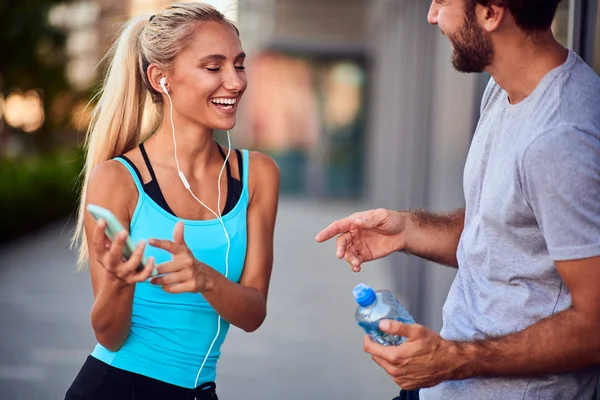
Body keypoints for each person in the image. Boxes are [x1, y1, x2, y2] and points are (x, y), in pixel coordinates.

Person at [316, 0, 600, 399]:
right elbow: (501, 237)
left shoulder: (560, 138)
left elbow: (594, 326)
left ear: (490, 12)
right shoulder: (503, 90)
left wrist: (454, 359)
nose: (432, 16)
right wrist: (406, 230)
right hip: (447, 384)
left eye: (442, 2)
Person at [66, 3, 279, 399]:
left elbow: (253, 315)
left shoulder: (258, 175)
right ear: (161, 78)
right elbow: (110, 337)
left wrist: (205, 279)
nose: (235, 82)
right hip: (115, 387)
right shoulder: (117, 180)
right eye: (214, 68)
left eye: (239, 64)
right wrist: (120, 281)